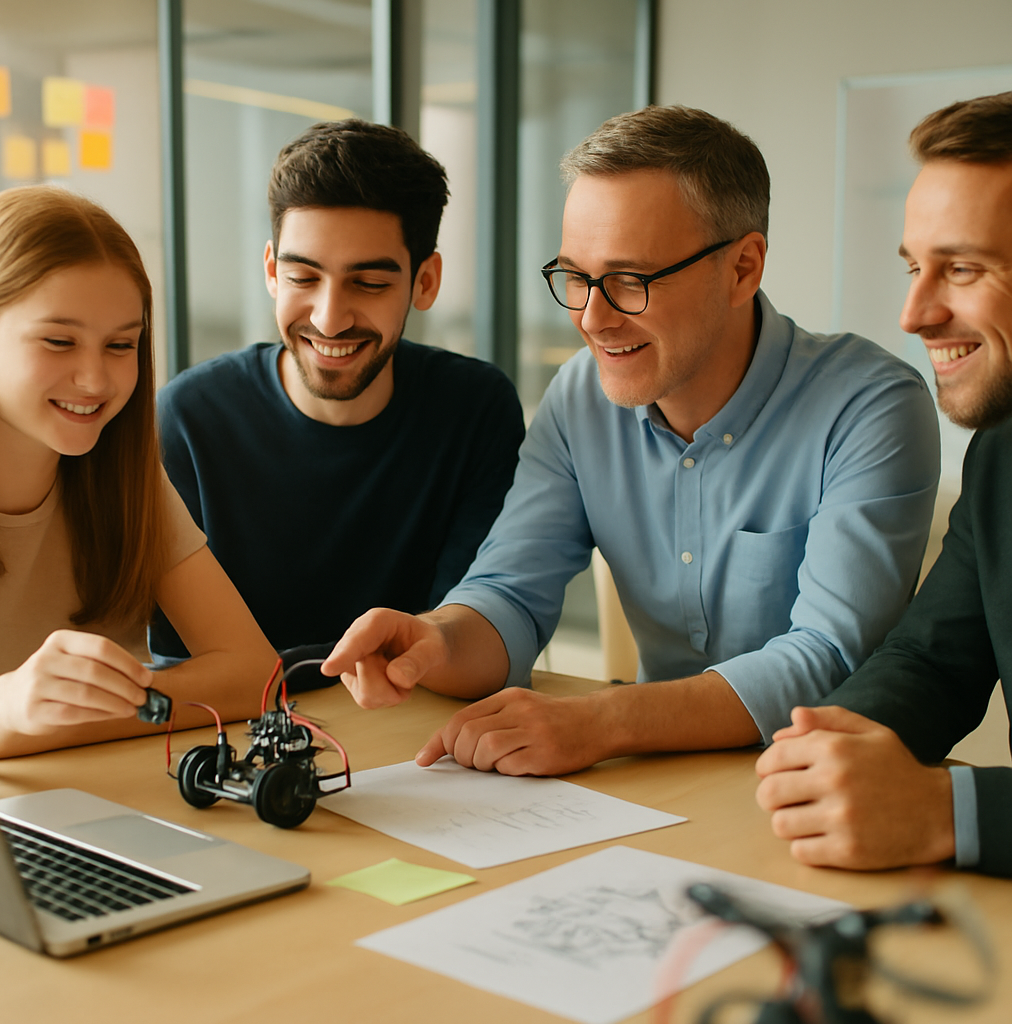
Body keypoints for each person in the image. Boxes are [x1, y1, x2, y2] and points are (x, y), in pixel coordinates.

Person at [322, 105, 941, 775]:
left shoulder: (871, 405)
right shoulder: (579, 397)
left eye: (629, 281)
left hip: (822, 783)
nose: (592, 318)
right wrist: (435, 641)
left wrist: (605, 720)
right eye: (576, 278)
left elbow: (829, 657)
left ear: (743, 268)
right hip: (655, 782)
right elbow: (512, 594)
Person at [149, 120, 524, 683]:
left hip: (414, 729)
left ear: (424, 282)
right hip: (244, 734)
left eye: (368, 284)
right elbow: (182, 666)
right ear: (273, 270)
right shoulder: (191, 417)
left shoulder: (475, 410)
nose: (329, 318)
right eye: (304, 276)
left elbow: (471, 628)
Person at [755, 91, 1012, 878]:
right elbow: (934, 660)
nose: (913, 312)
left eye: (961, 268)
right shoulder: (1001, 457)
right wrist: (828, 745)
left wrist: (950, 814)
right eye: (914, 267)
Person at [0, 186, 277, 759]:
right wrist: (3, 712)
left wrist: (40, 723)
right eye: (59, 341)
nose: (95, 380)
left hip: (95, 808)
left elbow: (256, 679)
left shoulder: (125, 478)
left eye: (121, 345)